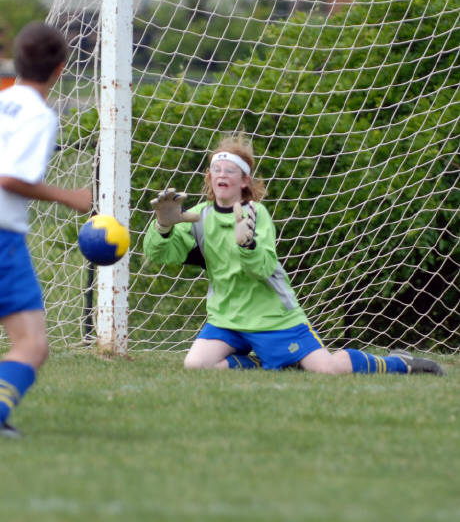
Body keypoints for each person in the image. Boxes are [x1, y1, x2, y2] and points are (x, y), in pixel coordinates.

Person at [143, 134, 444, 377]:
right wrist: (163, 226)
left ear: (244, 181)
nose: (222, 175)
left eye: (230, 170)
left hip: (272, 317)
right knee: (196, 365)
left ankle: (399, 363)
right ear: (209, 177)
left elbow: (263, 269)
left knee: (326, 369)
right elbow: (160, 254)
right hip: (226, 319)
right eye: (216, 170)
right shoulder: (198, 216)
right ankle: (263, 362)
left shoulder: (256, 214)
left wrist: (247, 245)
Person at [0, 22, 92, 437]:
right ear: (60, 69)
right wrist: (70, 196)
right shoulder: (38, 115)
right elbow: (10, 178)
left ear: (17, 62)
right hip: (3, 236)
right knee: (32, 344)